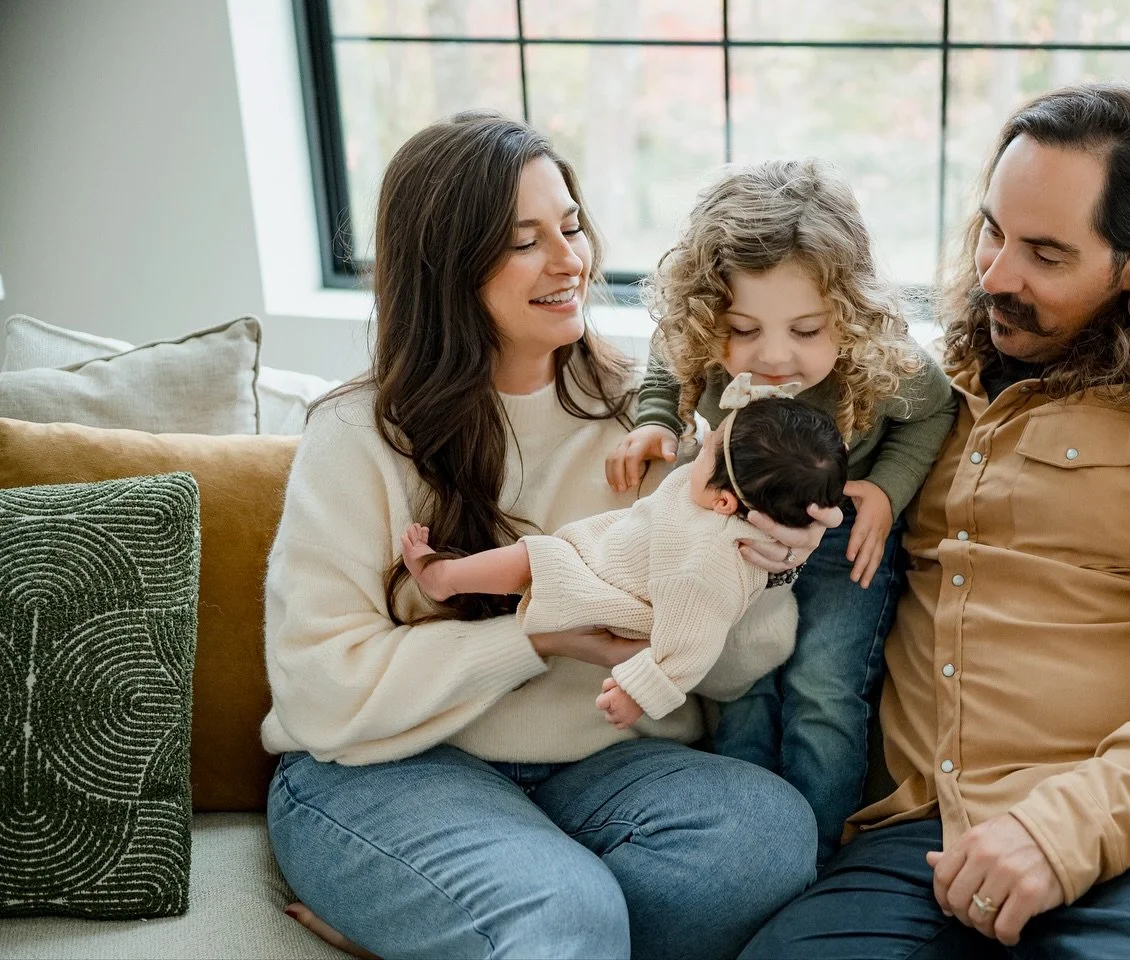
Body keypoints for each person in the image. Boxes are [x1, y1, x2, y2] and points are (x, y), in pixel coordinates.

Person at [743, 83, 1130, 959]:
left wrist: (1062, 830)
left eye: (1046, 255)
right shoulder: (925, 400)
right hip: (927, 835)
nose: (996, 274)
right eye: (993, 231)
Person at [260, 110, 842, 960]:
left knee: (766, 837)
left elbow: (722, 670)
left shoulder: (654, 420)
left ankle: (468, 933)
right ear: (446, 266)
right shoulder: (357, 436)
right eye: (523, 241)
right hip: (393, 768)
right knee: (564, 909)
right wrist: (538, 636)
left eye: (570, 226)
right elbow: (319, 690)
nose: (570, 260)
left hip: (603, 770)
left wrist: (766, 570)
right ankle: (528, 919)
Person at [609, 159, 960, 864]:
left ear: (849, 315)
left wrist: (886, 491)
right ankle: (749, 845)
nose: (773, 356)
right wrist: (654, 421)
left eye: (806, 330)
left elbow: (935, 411)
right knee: (741, 683)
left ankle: (817, 852)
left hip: (840, 540)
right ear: (708, 317)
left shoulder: (882, 362)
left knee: (822, 691)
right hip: (737, 530)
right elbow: (666, 360)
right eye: (743, 328)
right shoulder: (698, 341)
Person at [400, 388, 848, 730]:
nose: (703, 440)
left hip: (614, 595)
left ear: (725, 503)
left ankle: (446, 577)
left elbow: (693, 644)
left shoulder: (707, 564)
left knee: (534, 559)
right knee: (535, 559)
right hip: (614, 565)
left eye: (709, 448)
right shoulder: (727, 498)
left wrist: (641, 692)